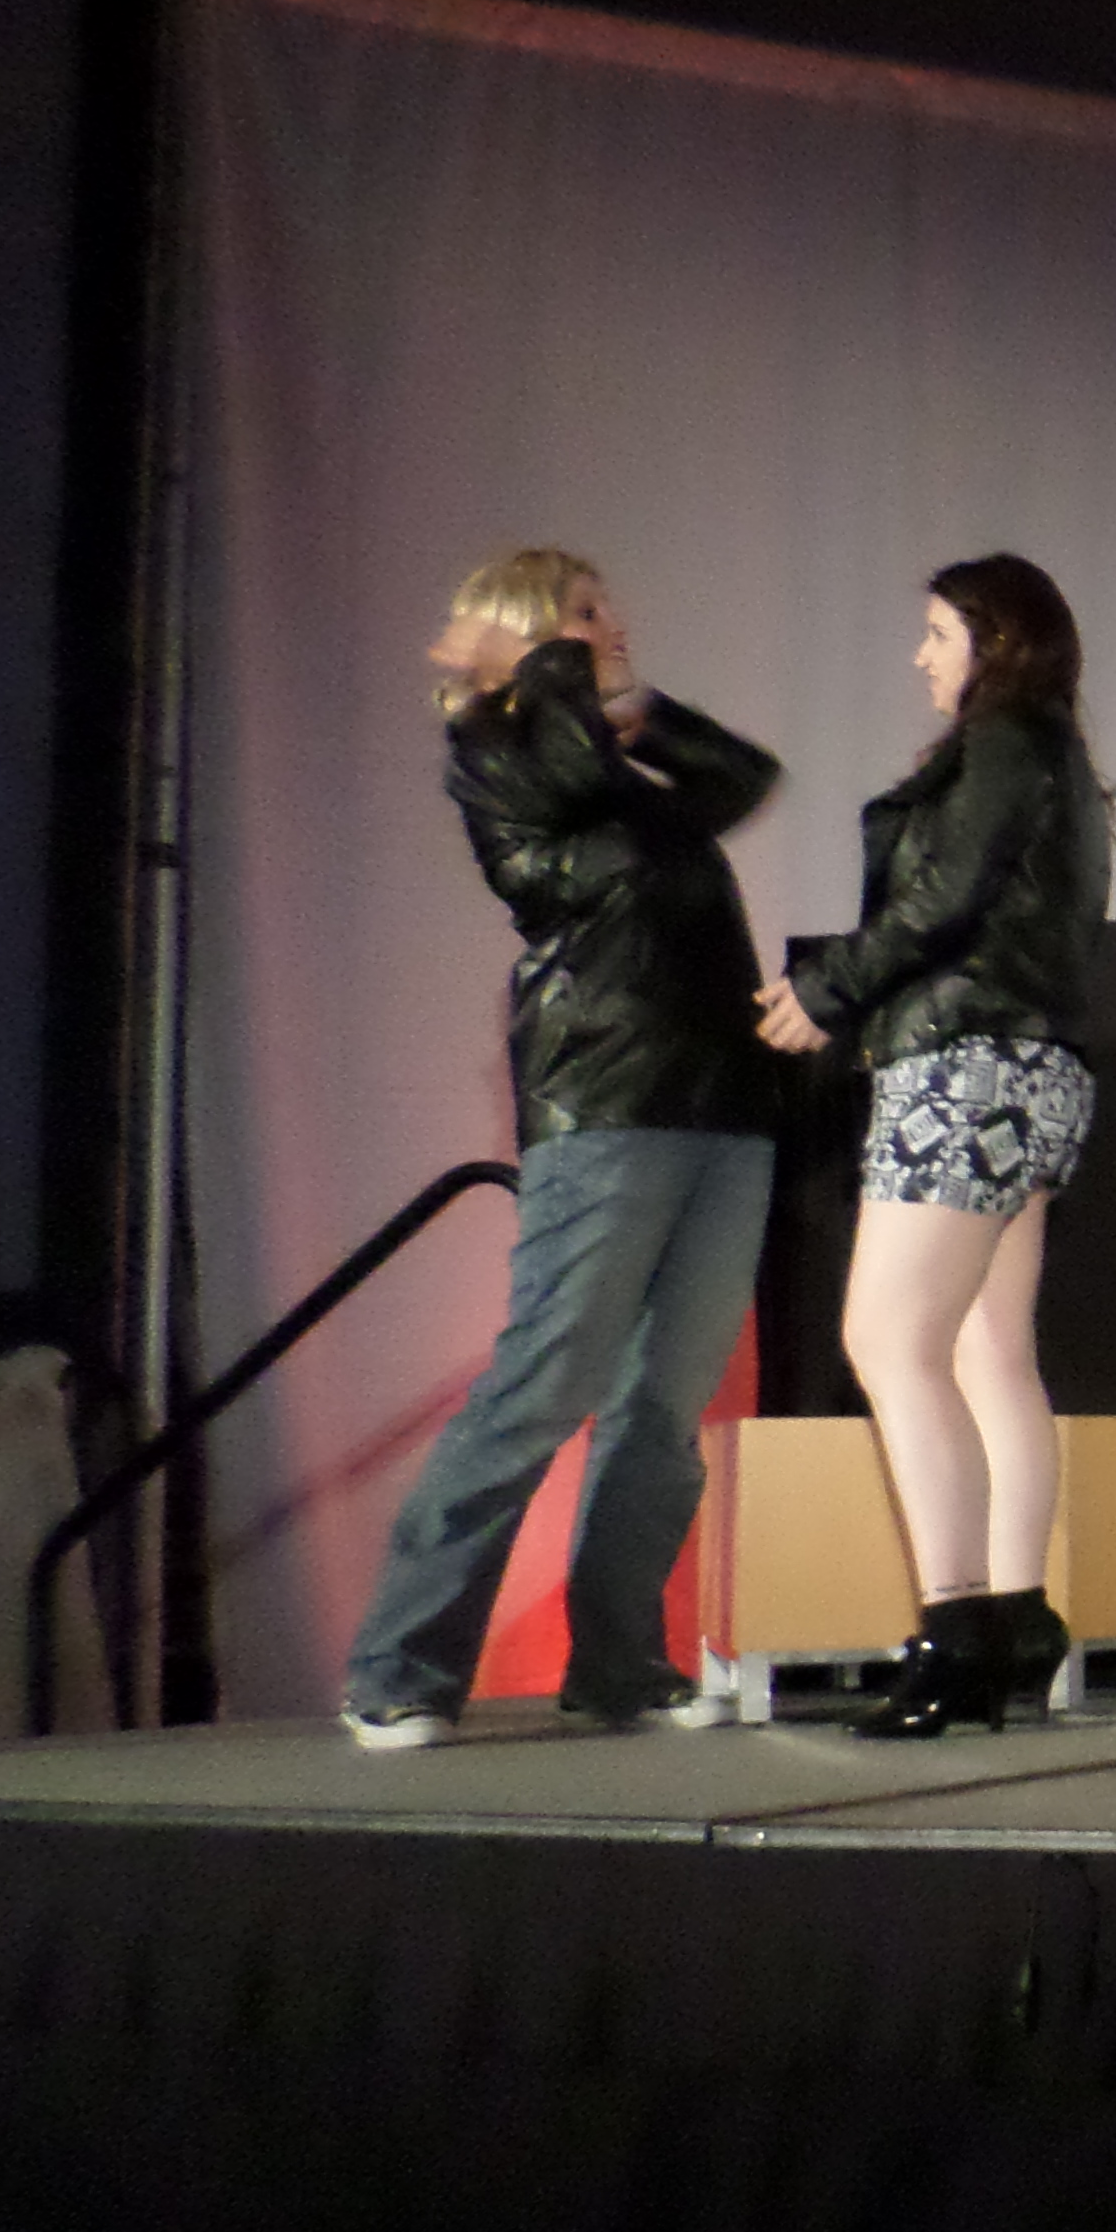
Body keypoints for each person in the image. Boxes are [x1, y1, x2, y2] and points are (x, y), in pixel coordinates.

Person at [338, 549, 781, 1749]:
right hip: (607, 1101)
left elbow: (743, 778)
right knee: (546, 1384)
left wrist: (639, 705)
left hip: (720, 1104)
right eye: (587, 612)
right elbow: (572, 770)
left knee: (664, 1406)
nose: (615, 622)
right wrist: (553, 674)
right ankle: (400, 1667)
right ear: (531, 632)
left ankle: (620, 1664)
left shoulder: (619, 767)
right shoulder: (498, 748)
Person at [755, 555, 1112, 1736]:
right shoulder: (1055, 755)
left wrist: (830, 988)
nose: (921, 655)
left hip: (966, 1065)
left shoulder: (1004, 745)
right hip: (1035, 1071)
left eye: (939, 633)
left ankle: (955, 1633)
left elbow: (944, 897)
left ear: (994, 641)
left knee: (890, 1341)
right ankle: (1016, 1617)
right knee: (990, 1352)